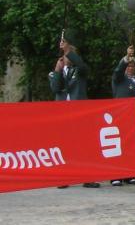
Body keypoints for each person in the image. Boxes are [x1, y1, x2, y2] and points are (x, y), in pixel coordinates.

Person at [47, 30, 101, 189]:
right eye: (66, 55)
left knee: (84, 145)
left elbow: (81, 65)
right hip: (63, 114)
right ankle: (63, 177)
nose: (68, 57)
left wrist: (67, 49)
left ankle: (88, 177)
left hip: (79, 112)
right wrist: (57, 70)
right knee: (64, 145)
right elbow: (56, 88)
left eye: (71, 55)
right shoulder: (55, 73)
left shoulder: (80, 70)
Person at [110, 45, 135, 186]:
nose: (130, 68)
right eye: (128, 65)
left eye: (132, 66)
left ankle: (129, 174)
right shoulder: (119, 79)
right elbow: (117, 71)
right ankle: (115, 175)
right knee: (119, 145)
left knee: (130, 145)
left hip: (134, 117)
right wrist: (126, 57)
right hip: (121, 116)